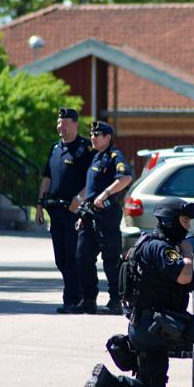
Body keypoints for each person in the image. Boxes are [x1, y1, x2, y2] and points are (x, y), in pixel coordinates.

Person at [81, 197, 194, 387]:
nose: (188, 226)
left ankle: (106, 380)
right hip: (159, 326)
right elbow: (184, 277)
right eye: (185, 221)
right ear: (171, 221)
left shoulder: (146, 242)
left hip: (143, 327)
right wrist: (188, 253)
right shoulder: (161, 248)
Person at [36, 108, 94, 313]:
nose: (61, 126)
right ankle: (73, 296)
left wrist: (79, 199)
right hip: (55, 210)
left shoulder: (86, 149)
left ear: (75, 124)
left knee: (72, 257)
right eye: (59, 123)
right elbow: (47, 178)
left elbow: (92, 181)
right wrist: (40, 205)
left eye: (65, 122)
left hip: (74, 211)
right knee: (61, 258)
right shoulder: (55, 148)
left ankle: (74, 299)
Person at [73, 121, 133, 314]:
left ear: (108, 137)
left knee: (111, 259)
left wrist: (106, 193)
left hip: (107, 215)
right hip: (90, 215)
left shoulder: (115, 156)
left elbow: (125, 178)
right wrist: (82, 211)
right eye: (92, 134)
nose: (93, 137)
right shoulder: (95, 158)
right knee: (83, 257)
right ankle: (88, 300)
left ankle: (116, 300)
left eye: (97, 134)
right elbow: (90, 192)